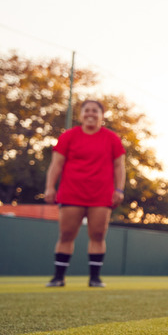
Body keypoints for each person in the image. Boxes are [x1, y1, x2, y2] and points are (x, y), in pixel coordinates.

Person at [44, 99, 126, 287]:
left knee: (97, 235)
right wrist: (50, 187)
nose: (90, 114)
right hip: (71, 193)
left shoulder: (112, 138)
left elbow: (119, 166)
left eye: (95, 110)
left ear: (101, 115)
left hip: (101, 195)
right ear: (80, 115)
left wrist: (119, 189)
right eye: (86, 110)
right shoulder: (68, 136)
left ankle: (95, 279)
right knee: (66, 235)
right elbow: (56, 164)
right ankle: (58, 278)